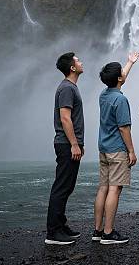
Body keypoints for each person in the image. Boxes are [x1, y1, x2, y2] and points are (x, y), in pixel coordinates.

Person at [93, 52, 139, 245]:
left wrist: (130, 63)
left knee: (103, 188)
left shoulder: (104, 94)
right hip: (117, 149)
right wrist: (131, 151)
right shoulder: (121, 100)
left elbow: (119, 80)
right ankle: (109, 233)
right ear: (119, 78)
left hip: (103, 147)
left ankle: (97, 230)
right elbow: (124, 128)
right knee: (115, 189)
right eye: (122, 71)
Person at [45, 52, 85, 245]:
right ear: (72, 68)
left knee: (66, 186)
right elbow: (65, 118)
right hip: (66, 144)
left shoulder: (70, 87)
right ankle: (53, 232)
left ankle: (60, 225)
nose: (81, 62)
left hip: (67, 144)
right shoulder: (67, 88)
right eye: (78, 60)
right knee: (62, 187)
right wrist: (75, 144)